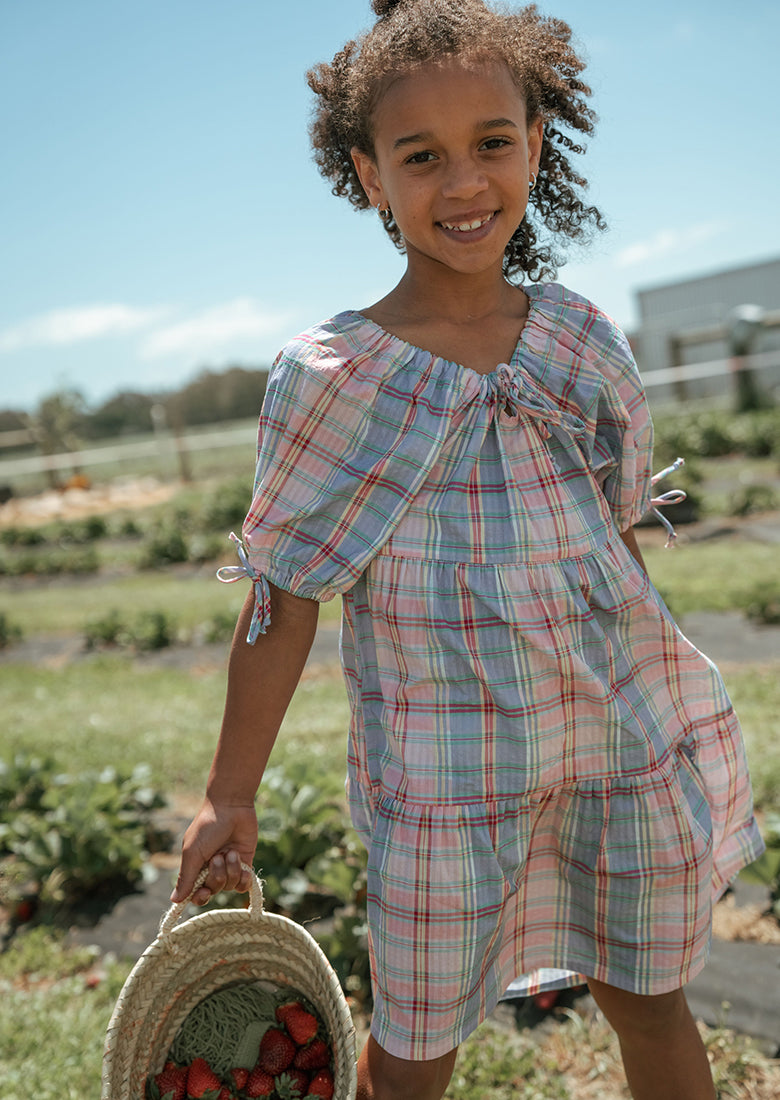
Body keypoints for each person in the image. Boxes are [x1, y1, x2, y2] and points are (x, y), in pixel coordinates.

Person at [172, 2, 764, 1097]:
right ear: (368, 174)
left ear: (535, 142)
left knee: (651, 1000)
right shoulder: (332, 376)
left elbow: (621, 538)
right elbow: (284, 593)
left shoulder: (583, 338)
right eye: (421, 156)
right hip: (444, 780)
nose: (464, 182)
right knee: (412, 1049)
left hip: (614, 751)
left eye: (493, 142)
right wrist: (229, 790)